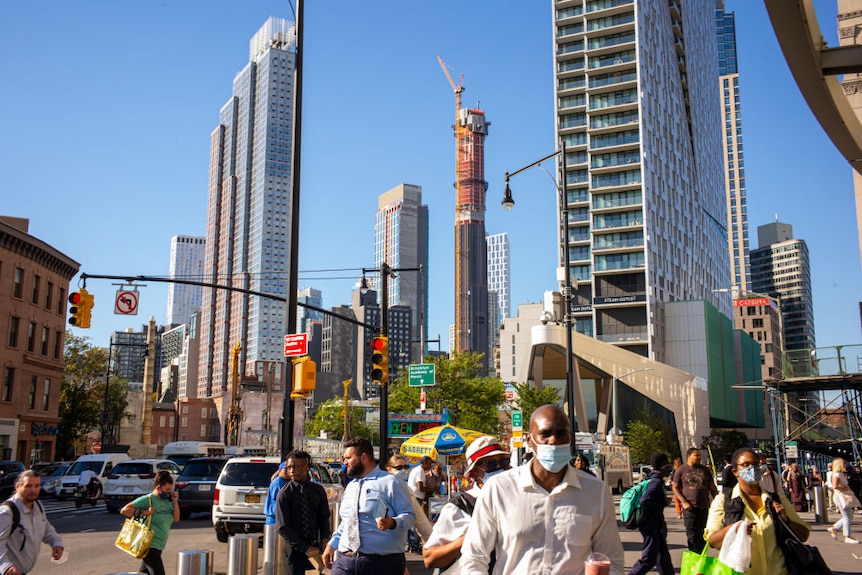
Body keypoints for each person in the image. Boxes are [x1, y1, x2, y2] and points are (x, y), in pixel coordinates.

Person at [459, 404, 624, 574]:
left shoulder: (596, 492)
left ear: (570, 439)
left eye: (561, 434)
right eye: (545, 434)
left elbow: (612, 561)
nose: (554, 441)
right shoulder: (499, 489)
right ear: (529, 440)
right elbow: (473, 557)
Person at [706, 447, 811, 575]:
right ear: (735, 471)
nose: (752, 469)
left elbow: (803, 535)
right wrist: (734, 529)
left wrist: (785, 520)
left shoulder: (777, 500)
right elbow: (712, 541)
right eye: (746, 465)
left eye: (756, 464)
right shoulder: (723, 501)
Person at [322, 437, 416, 574]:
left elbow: (410, 516)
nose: (345, 462)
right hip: (346, 561)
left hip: (381, 563)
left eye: (348, 458)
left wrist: (392, 522)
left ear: (364, 457)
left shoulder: (391, 483)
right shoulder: (350, 486)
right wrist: (331, 545)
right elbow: (348, 522)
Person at [423, 436, 511, 574]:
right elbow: (430, 558)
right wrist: (473, 536)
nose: (500, 468)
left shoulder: (517, 499)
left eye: (504, 462)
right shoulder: (460, 506)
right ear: (474, 472)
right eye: (491, 464)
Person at [276, 450, 332, 572]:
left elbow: (324, 517)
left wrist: (325, 538)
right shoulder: (284, 494)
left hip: (316, 549)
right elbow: (282, 527)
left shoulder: (318, 490)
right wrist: (305, 548)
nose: (292, 470)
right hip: (294, 551)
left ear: (306, 466)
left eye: (296, 466)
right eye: (289, 467)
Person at [0, 470, 63, 575]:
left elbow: (45, 526)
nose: (33, 490)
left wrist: (56, 543)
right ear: (17, 487)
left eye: (37, 485)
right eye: (28, 486)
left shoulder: (37, 505)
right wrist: (6, 567)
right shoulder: (7, 512)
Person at [119, 469, 180, 575]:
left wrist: (175, 502)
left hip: (159, 545)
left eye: (170, 490)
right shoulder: (147, 499)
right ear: (158, 487)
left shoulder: (166, 501)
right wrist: (145, 512)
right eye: (166, 489)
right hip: (149, 544)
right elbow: (124, 510)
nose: (168, 492)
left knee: (144, 573)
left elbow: (176, 518)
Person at [630, 452, 674, 575]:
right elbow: (645, 501)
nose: (669, 468)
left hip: (655, 526)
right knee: (648, 560)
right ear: (663, 466)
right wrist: (663, 502)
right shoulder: (656, 482)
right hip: (651, 525)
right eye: (668, 465)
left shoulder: (651, 479)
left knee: (664, 560)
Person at [671, 447, 718, 552]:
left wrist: (718, 500)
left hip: (704, 506)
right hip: (690, 508)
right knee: (692, 537)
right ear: (689, 456)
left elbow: (712, 487)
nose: (699, 458)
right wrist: (684, 502)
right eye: (696, 455)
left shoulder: (705, 470)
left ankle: (701, 559)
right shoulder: (681, 470)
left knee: (703, 535)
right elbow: (675, 487)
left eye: (699, 456)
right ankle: (693, 559)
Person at [386, 454, 432, 552]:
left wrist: (434, 545)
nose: (403, 471)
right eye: (398, 468)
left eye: (405, 467)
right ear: (389, 469)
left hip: (395, 550)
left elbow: (422, 523)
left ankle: (413, 544)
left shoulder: (407, 491)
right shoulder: (379, 488)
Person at [828, 457, 859, 544]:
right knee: (847, 516)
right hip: (840, 497)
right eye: (843, 463)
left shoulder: (839, 473)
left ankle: (835, 528)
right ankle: (847, 536)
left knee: (849, 516)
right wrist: (845, 488)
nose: (845, 465)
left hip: (842, 497)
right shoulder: (837, 474)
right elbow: (835, 486)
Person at [264, 460, 290, 525]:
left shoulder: (285, 482)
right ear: (280, 471)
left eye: (288, 469)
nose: (287, 472)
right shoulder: (278, 483)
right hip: (275, 518)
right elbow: (281, 499)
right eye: (285, 469)